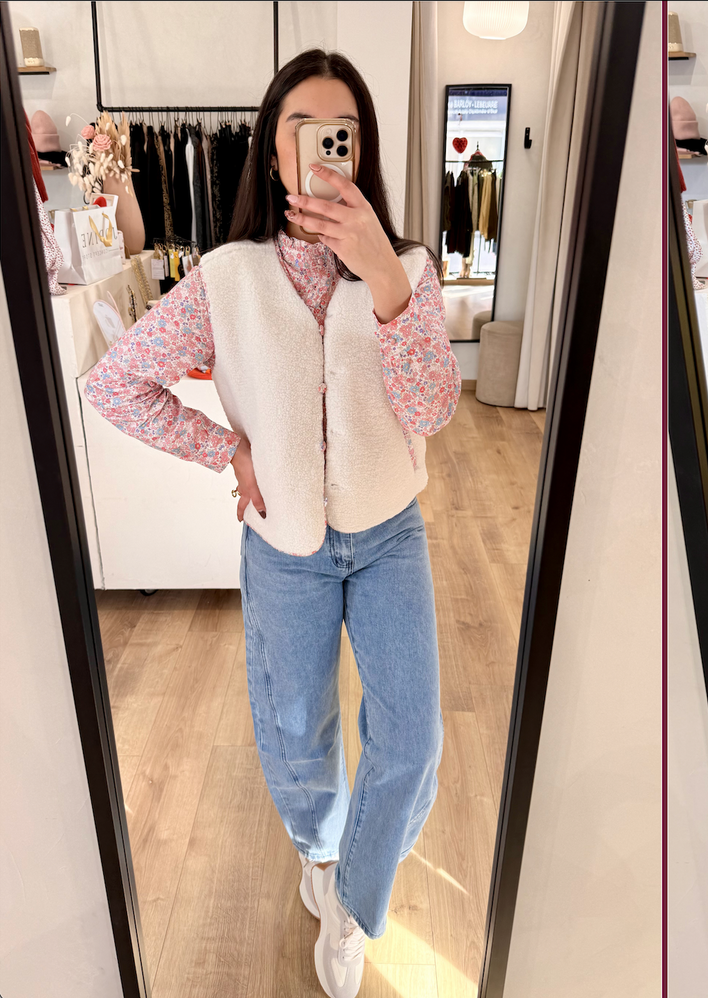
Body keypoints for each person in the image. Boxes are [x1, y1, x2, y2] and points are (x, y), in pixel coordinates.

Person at [84, 49, 455, 998]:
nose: (329, 150)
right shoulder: (227, 278)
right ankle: (323, 861)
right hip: (284, 543)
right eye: (307, 131)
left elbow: (432, 409)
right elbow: (114, 383)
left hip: (389, 534)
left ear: (363, 151)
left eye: (346, 134)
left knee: (412, 741)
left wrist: (384, 274)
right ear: (273, 149)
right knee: (298, 736)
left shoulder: (409, 269)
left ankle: (354, 903)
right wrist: (227, 450)